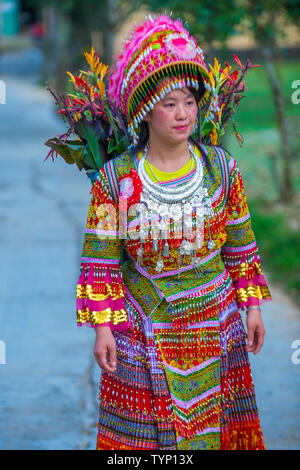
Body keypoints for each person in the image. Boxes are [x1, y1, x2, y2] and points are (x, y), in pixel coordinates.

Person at [75, 14, 272, 450]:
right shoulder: (117, 180)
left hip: (215, 324)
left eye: (189, 101)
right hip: (143, 330)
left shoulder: (220, 169)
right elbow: (101, 261)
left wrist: (252, 306)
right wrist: (103, 329)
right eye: (169, 104)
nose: (183, 114)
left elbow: (241, 245)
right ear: (144, 111)